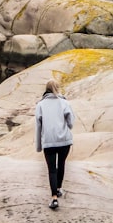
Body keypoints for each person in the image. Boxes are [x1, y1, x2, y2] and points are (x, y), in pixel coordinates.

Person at [35, 79, 75, 210]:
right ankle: (58, 188)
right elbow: (71, 123)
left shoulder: (40, 105)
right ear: (57, 88)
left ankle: (54, 198)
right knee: (61, 164)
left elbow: (38, 126)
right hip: (64, 140)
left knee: (52, 169)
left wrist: (39, 146)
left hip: (49, 141)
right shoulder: (64, 102)